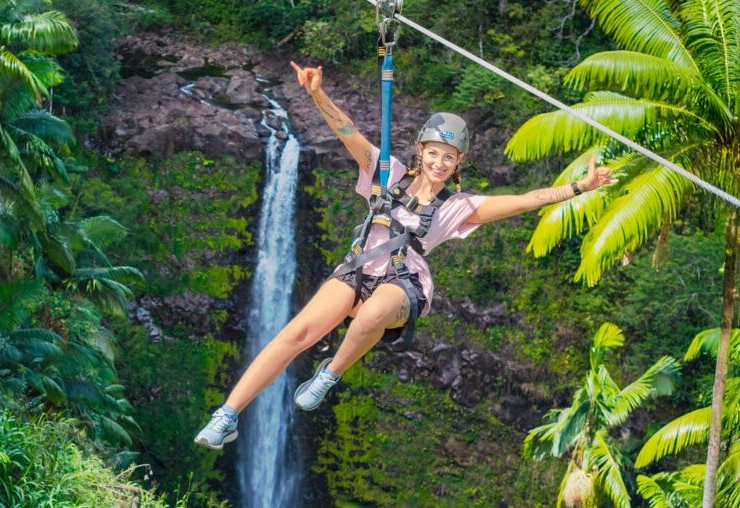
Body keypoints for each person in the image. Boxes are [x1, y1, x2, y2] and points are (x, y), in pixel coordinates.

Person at [193, 62, 615, 450]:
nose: (439, 161)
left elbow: (525, 200)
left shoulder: (458, 207)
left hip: (404, 282)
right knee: (297, 333)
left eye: (448, 157)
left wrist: (579, 187)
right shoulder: (386, 172)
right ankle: (227, 415)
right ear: (420, 150)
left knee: (374, 313)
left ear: (458, 162)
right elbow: (348, 132)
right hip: (358, 267)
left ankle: (329, 374)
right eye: (433, 152)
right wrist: (316, 94)